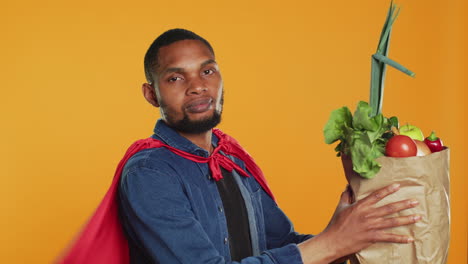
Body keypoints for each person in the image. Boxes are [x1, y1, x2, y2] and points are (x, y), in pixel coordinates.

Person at [116, 28, 421, 264]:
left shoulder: (233, 159)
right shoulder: (149, 173)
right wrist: (331, 243)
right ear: (151, 94)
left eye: (207, 71)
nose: (197, 85)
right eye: (175, 78)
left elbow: (280, 244)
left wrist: (353, 231)